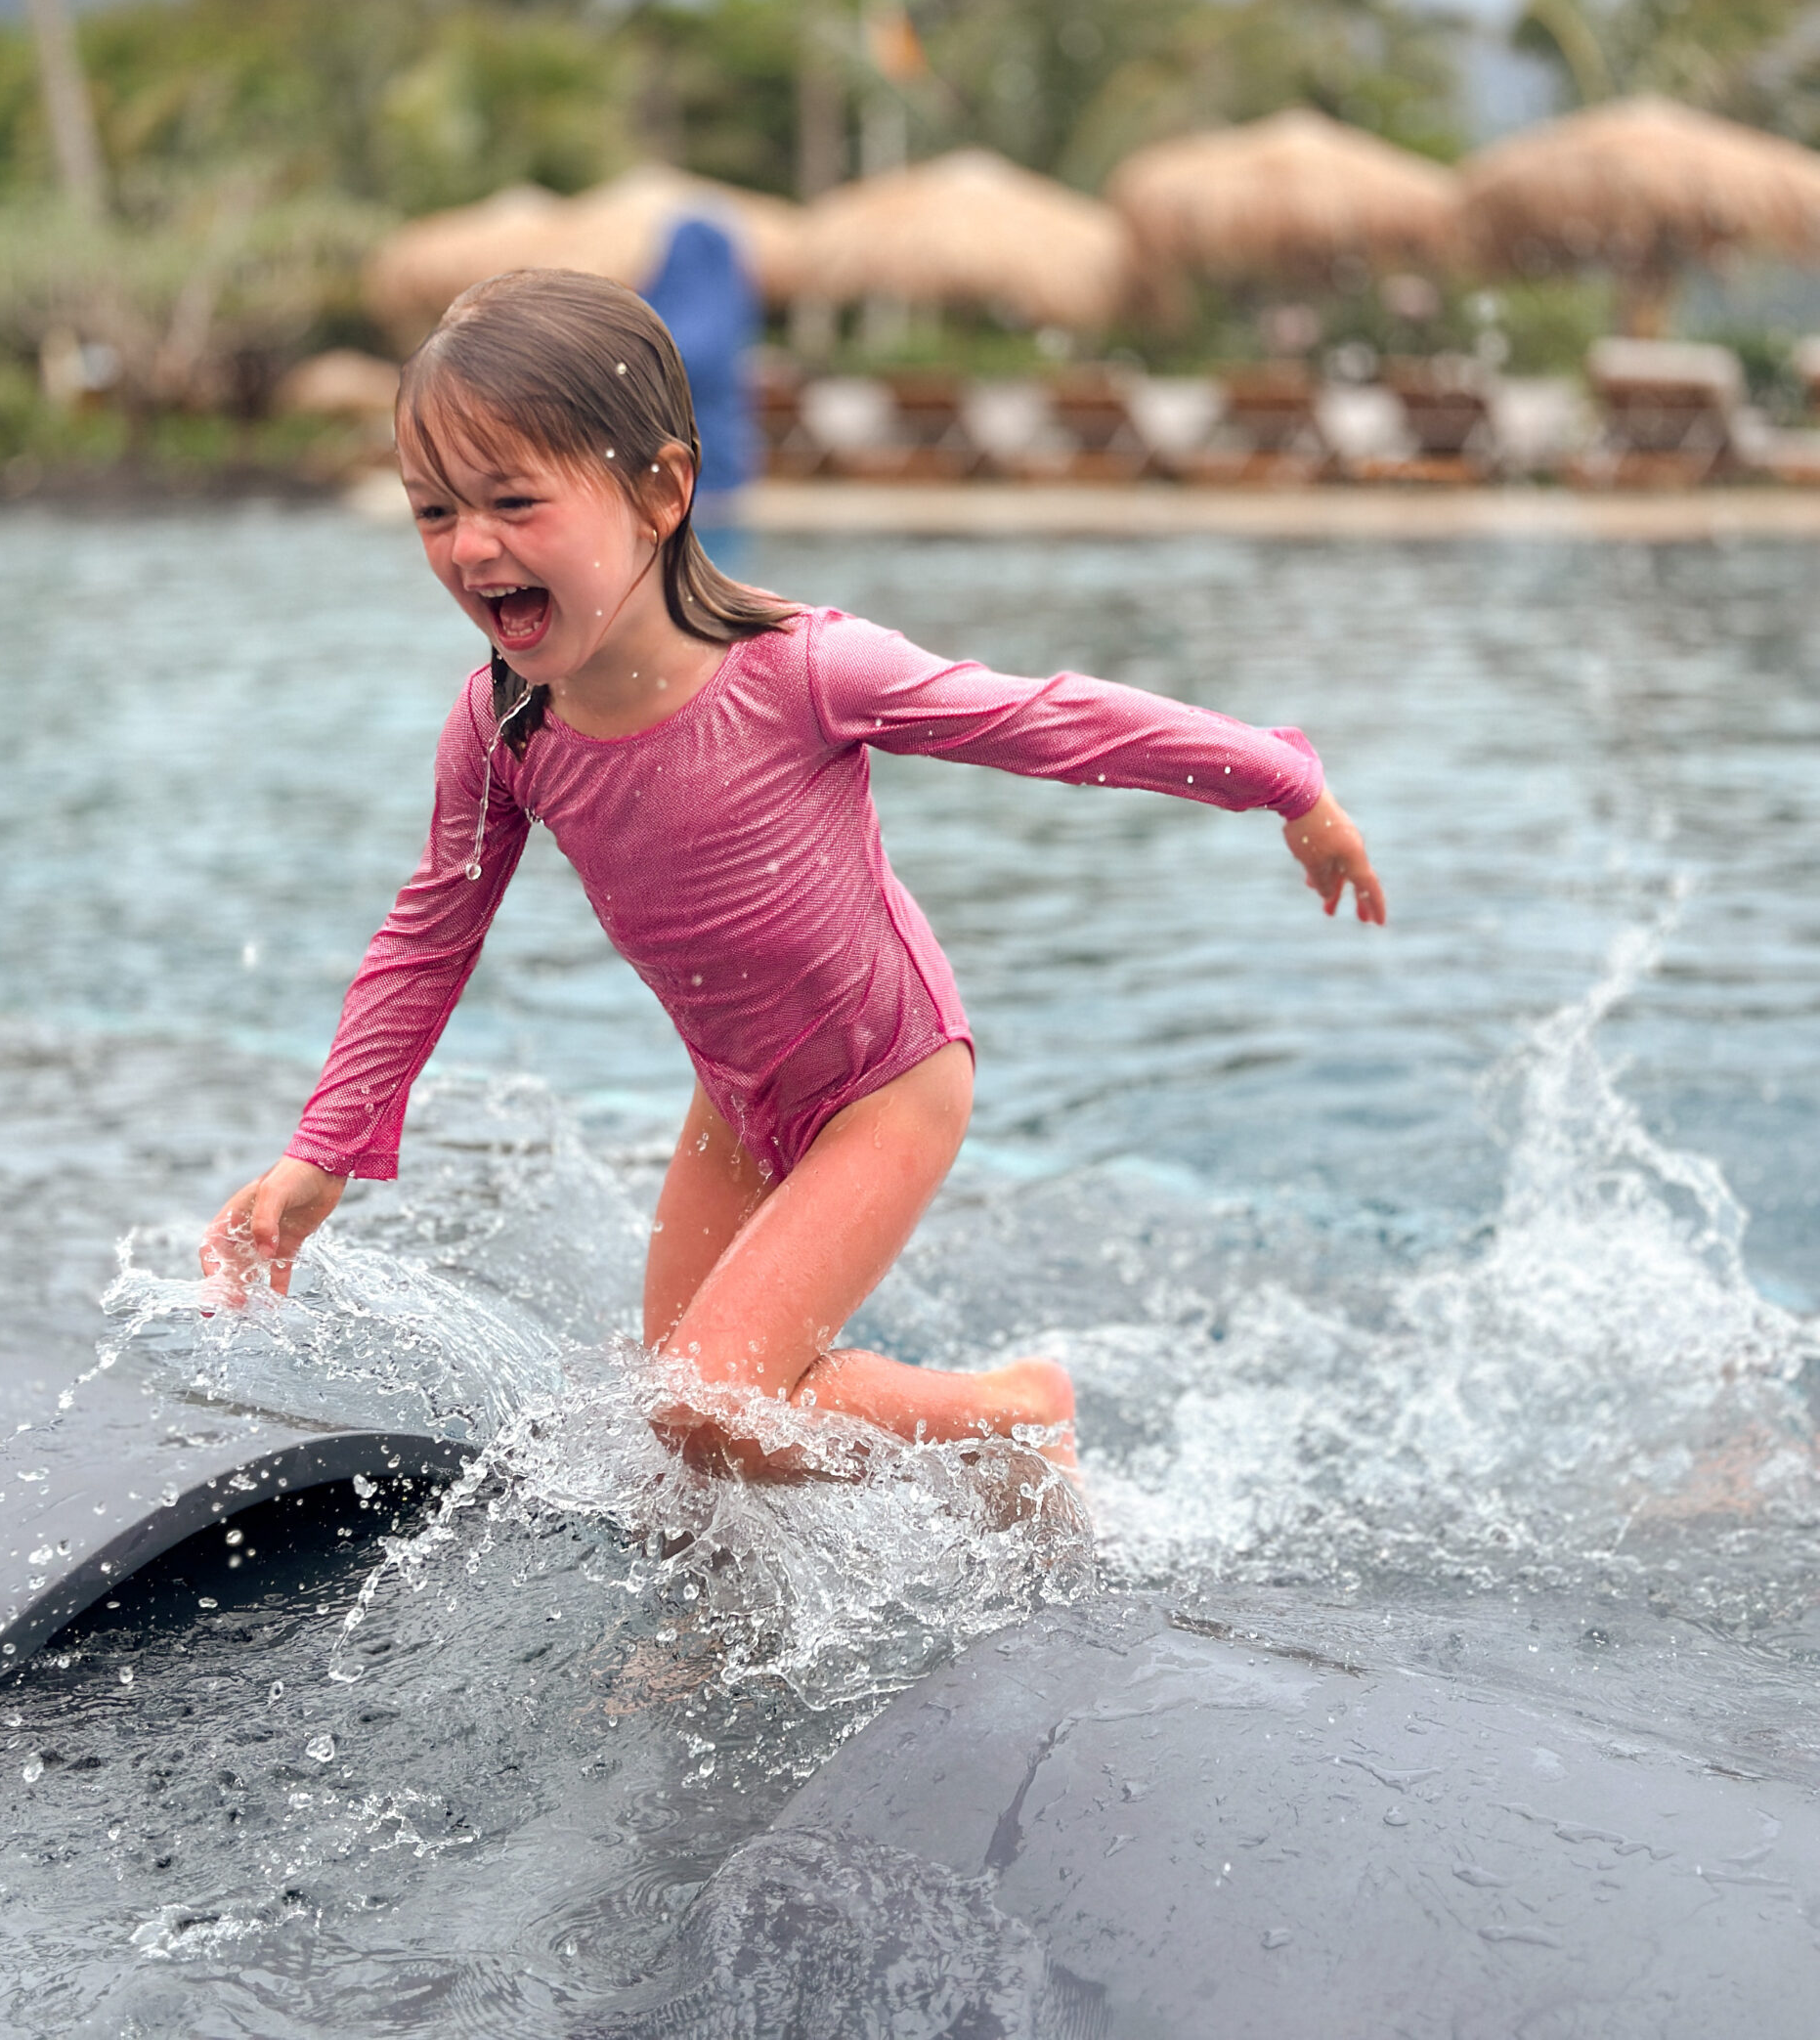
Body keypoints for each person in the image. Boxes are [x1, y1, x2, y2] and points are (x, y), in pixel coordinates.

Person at [199, 270, 1385, 1478]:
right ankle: (924, 1515)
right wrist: (325, 1148)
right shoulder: (505, 728)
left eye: (513, 499)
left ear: (658, 491)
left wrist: (1286, 785)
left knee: (709, 1406)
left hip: (887, 1082)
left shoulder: (801, 672)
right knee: (684, 1442)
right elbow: (429, 932)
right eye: (432, 511)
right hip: (739, 1098)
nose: (472, 546)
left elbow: (1046, 720)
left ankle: (1018, 1411)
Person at [641, 215, 758, 569]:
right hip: (719, 463)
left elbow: (674, 362)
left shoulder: (667, 307)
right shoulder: (730, 300)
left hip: (690, 469)